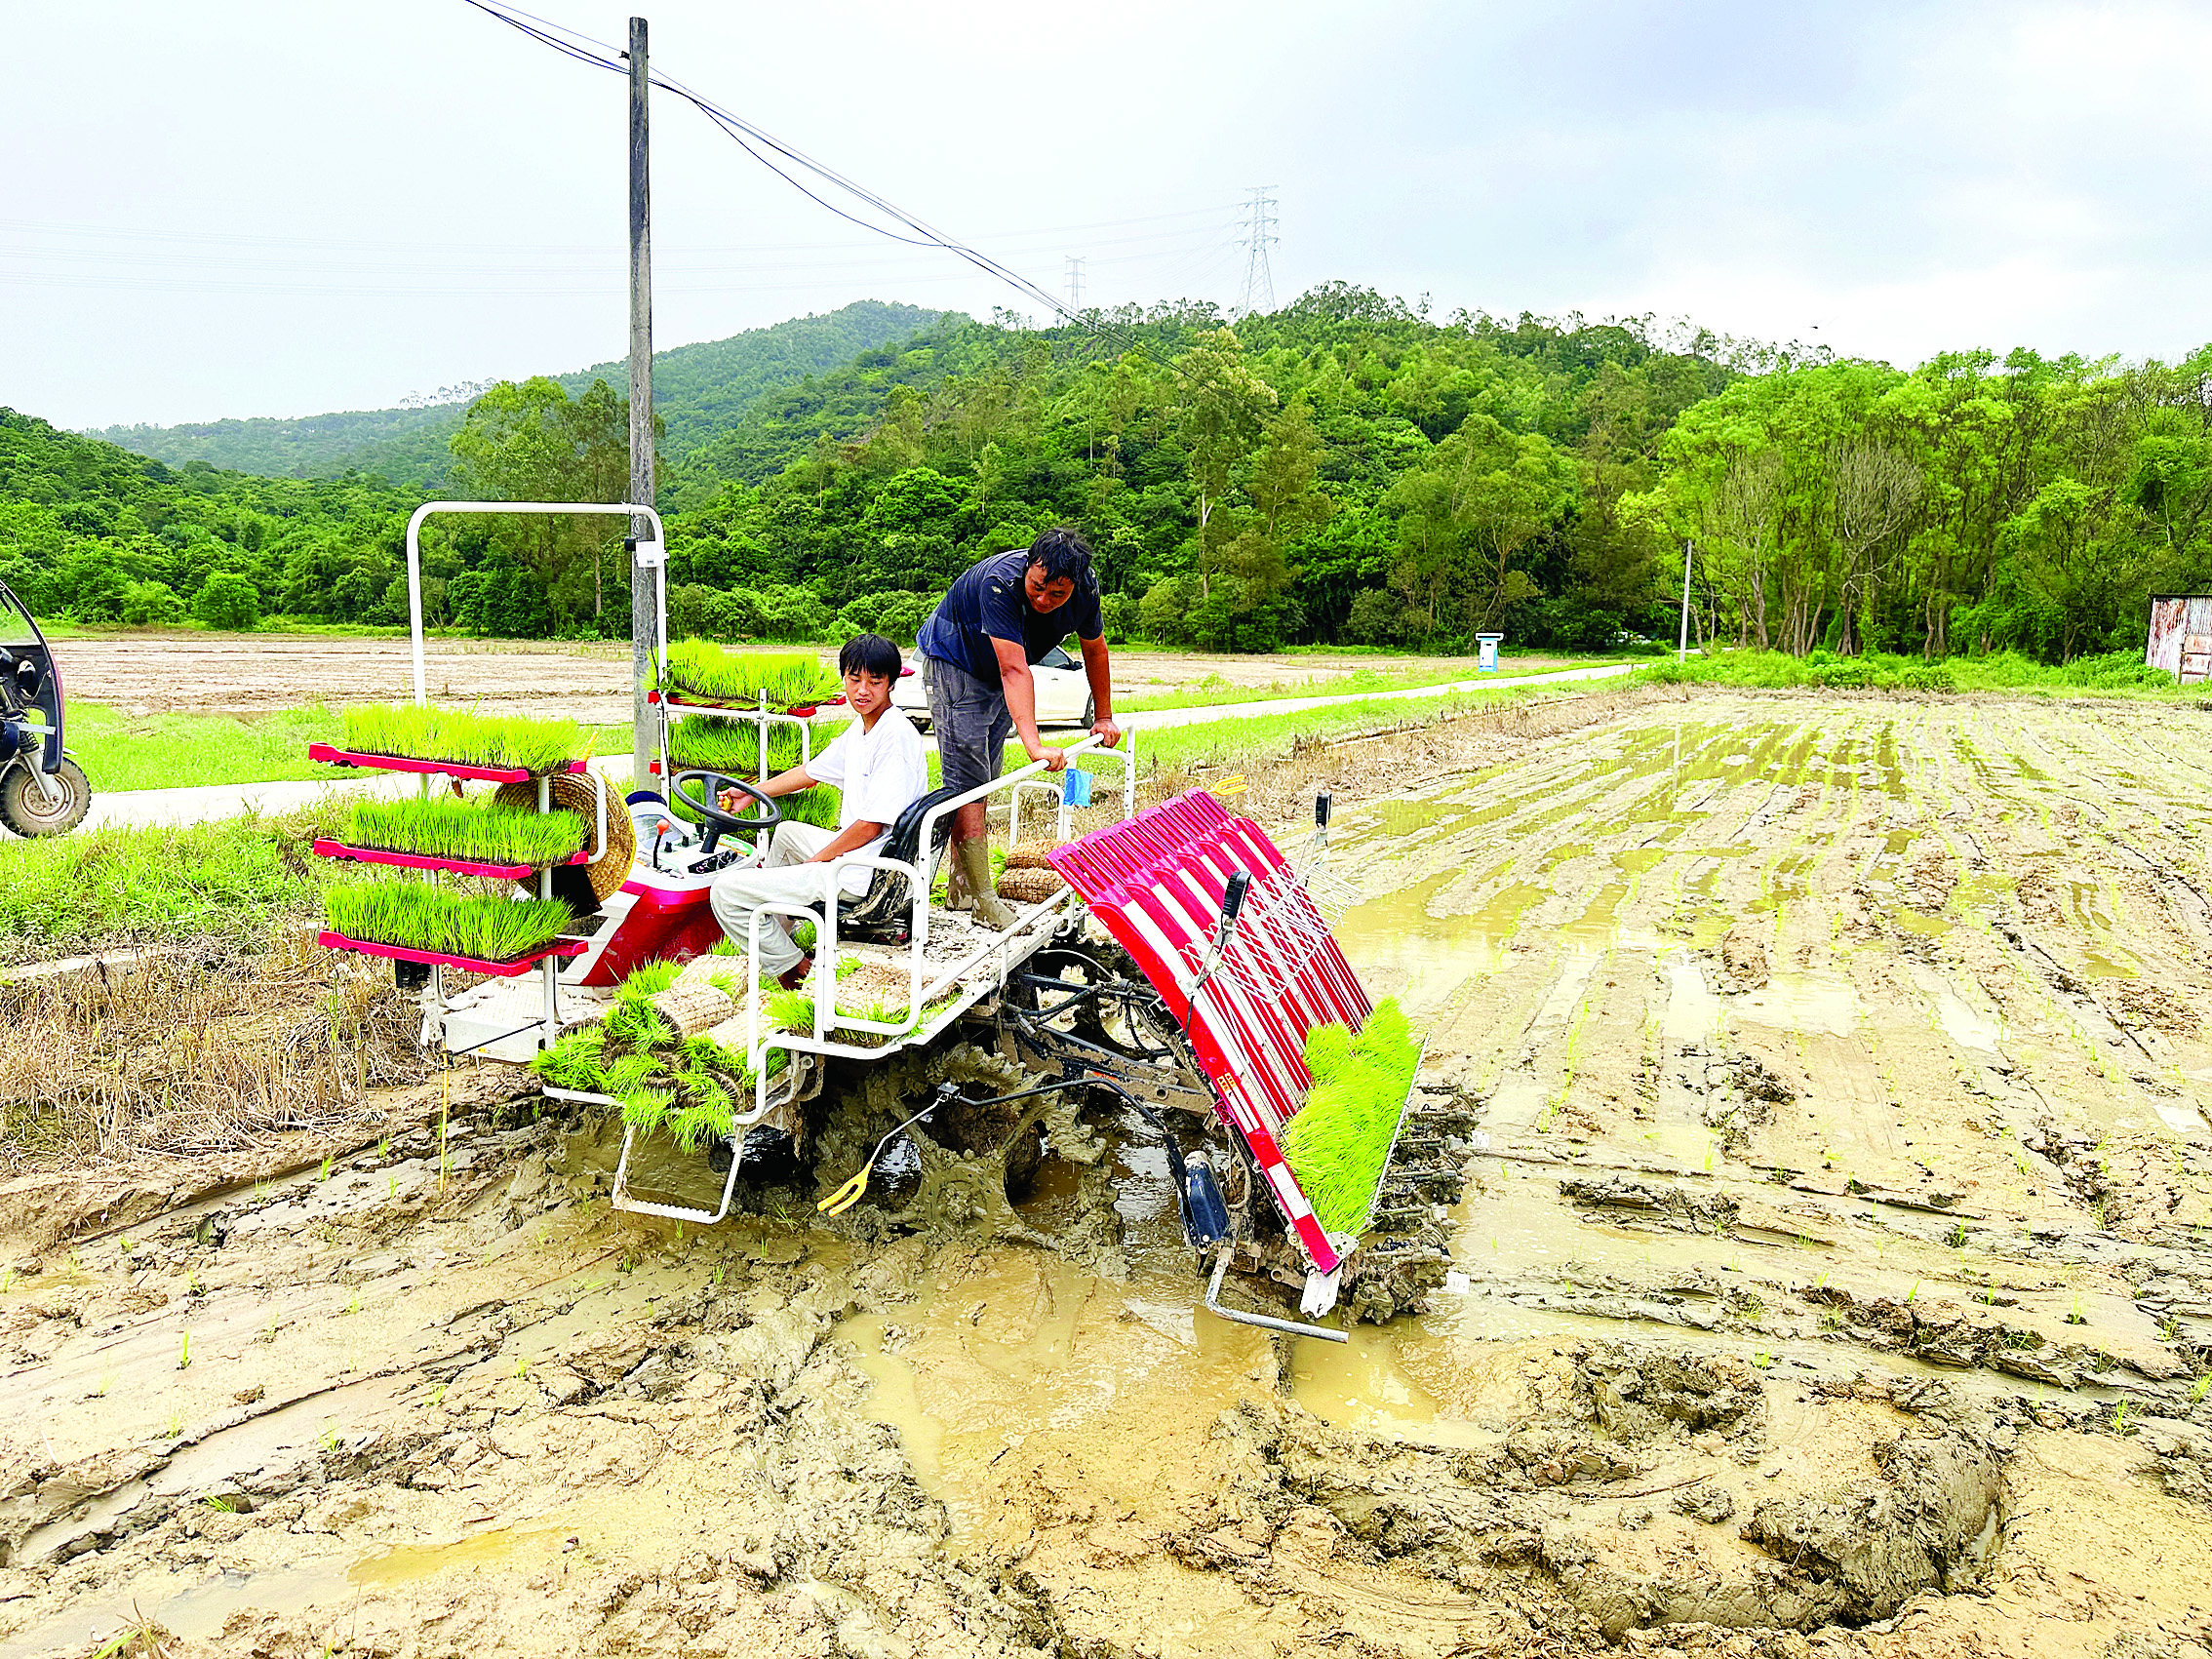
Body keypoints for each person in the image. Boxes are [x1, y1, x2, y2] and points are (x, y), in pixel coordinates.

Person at [914, 527, 1122, 928]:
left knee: (986, 776)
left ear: (1073, 587)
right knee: (966, 781)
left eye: (1056, 595)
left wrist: (1105, 715)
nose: (1044, 600)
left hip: (998, 668)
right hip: (956, 659)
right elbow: (1015, 669)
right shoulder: (1000, 583)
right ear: (1029, 568)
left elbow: (1094, 648)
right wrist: (1035, 744)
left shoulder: (1085, 587)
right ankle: (982, 899)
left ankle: (961, 888)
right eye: (1037, 587)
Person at [707, 633, 926, 988]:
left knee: (725, 892)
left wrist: (821, 860)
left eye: (875, 681)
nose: (862, 691)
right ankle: (775, 938)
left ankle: (794, 968)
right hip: (862, 856)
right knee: (787, 832)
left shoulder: (895, 737)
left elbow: (871, 825)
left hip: (865, 871)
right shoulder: (863, 729)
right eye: (855, 680)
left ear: (891, 683)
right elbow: (810, 774)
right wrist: (751, 793)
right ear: (844, 679)